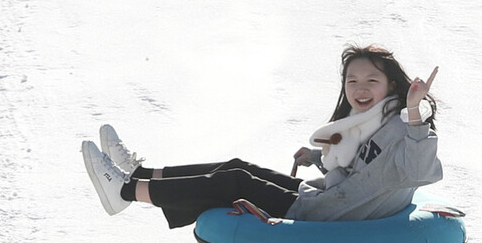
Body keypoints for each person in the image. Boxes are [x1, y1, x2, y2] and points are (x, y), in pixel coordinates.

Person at [80, 45, 442, 228]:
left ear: (391, 84)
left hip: (329, 214)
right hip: (325, 195)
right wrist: (316, 157)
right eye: (353, 81)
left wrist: (414, 111)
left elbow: (419, 169)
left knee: (233, 181)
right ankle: (140, 174)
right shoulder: (368, 120)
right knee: (239, 166)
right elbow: (361, 169)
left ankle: (125, 192)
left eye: (371, 81)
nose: (360, 90)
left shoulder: (400, 126)